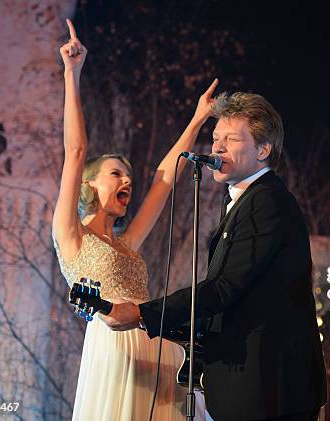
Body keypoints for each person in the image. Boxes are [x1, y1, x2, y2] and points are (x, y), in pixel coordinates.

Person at [101, 92, 327, 420]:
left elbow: (223, 288)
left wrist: (141, 313)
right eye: (215, 137)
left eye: (231, 139)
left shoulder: (267, 203)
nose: (217, 148)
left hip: (269, 390)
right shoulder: (241, 200)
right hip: (249, 386)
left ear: (264, 150)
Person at [52, 19, 217, 421]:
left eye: (128, 175)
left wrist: (197, 121)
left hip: (157, 352)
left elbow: (165, 178)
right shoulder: (71, 235)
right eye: (115, 173)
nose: (128, 179)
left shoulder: (126, 244)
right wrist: (72, 74)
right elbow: (75, 150)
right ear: (89, 183)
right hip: (116, 352)